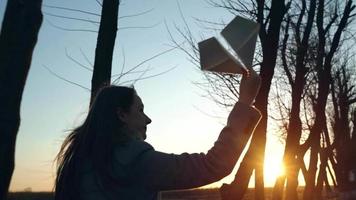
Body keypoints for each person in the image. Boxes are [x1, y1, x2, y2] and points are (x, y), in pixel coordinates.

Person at [54, 69, 261, 200]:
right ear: (121, 114)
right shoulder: (135, 162)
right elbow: (213, 165)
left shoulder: (77, 163)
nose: (148, 119)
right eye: (140, 110)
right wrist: (245, 102)